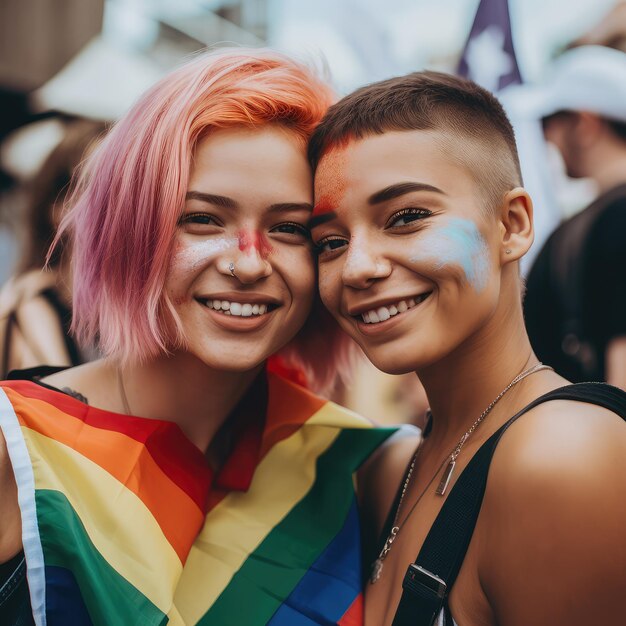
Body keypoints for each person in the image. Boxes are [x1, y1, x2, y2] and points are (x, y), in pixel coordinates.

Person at [0, 48, 395, 625]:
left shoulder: (360, 467)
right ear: (132, 228)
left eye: (288, 228)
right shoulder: (17, 450)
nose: (249, 263)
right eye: (203, 218)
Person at [307, 70, 626, 626]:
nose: (357, 267)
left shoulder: (563, 456)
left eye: (406, 217)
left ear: (513, 224)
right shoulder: (390, 469)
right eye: (330, 242)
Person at [522, 45, 626, 389]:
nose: (545, 137)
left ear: (584, 123)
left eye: (548, 121)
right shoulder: (598, 220)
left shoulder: (616, 218)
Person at [0, 118, 106, 377]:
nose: (116, 202)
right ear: (58, 206)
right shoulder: (28, 308)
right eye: (98, 185)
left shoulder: (144, 314)